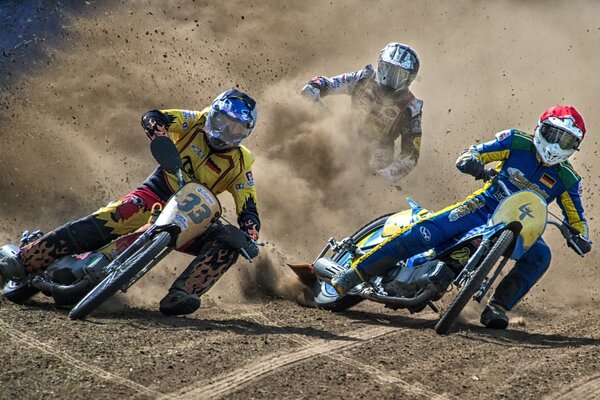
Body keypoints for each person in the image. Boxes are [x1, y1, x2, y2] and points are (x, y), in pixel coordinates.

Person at [0, 89, 261, 316]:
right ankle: (27, 258)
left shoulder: (241, 164)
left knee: (229, 244)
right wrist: (159, 135)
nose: (224, 132)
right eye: (221, 121)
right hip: (155, 195)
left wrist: (249, 233)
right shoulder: (194, 121)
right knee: (112, 216)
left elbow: (248, 207)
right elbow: (153, 116)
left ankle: (182, 294)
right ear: (212, 113)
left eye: (235, 128)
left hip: (192, 219)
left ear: (245, 133)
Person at [329, 105, 592, 329]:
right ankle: (354, 274)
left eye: (567, 141)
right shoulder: (516, 141)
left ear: (574, 147)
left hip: (522, 229)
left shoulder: (567, 179)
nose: (557, 145)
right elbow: (477, 152)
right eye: (554, 135)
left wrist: (580, 235)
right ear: (541, 128)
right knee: (425, 231)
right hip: (482, 206)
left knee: (541, 256)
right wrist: (472, 160)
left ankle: (497, 308)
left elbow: (577, 217)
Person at [300, 42, 423, 183]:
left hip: (378, 152)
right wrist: (316, 86)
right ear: (379, 65)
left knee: (366, 181)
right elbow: (330, 83)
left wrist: (385, 176)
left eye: (398, 75)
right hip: (346, 134)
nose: (390, 78)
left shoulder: (411, 107)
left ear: (409, 79)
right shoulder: (364, 78)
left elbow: (411, 155)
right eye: (387, 69)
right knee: (310, 101)